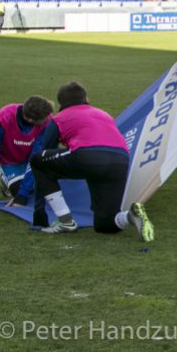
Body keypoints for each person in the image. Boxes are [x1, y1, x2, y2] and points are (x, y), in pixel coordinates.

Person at [28, 82, 153, 240]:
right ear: (86, 98)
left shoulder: (59, 118)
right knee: (105, 225)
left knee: (37, 161)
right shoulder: (103, 114)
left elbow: (44, 156)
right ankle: (130, 216)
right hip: (120, 161)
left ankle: (65, 221)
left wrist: (38, 214)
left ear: (60, 103)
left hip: (88, 157)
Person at [0, 96, 53, 208]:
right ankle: (8, 183)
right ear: (30, 119)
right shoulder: (4, 118)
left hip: (31, 159)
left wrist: (22, 197)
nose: (48, 119)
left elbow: (35, 159)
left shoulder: (46, 120)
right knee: (23, 191)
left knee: (46, 188)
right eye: (44, 119)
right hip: (9, 162)